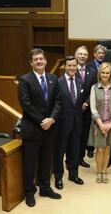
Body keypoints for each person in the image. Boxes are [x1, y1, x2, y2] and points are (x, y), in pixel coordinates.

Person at [18, 48, 61, 207]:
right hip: (32, 128)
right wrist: (43, 120)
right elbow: (26, 105)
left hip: (50, 128)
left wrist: (52, 119)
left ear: (46, 61)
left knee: (46, 159)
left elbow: (58, 101)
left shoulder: (53, 78)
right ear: (31, 62)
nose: (39, 61)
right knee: (30, 162)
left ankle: (45, 187)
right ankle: (29, 192)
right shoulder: (25, 80)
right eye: (35, 59)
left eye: (41, 59)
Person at [53, 56, 85, 191]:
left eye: (74, 65)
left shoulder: (79, 82)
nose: (72, 68)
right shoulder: (58, 82)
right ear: (65, 67)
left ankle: (73, 174)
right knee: (59, 153)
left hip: (77, 123)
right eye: (69, 66)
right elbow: (55, 103)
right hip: (62, 124)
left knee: (74, 151)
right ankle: (58, 177)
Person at [87, 63, 111, 184]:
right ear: (99, 74)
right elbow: (93, 107)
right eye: (103, 72)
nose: (105, 75)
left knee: (107, 149)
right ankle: (98, 171)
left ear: (110, 74)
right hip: (98, 123)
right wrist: (101, 124)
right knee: (99, 149)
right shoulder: (94, 88)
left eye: (107, 73)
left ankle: (104, 171)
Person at [74, 46, 97, 167]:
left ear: (88, 57)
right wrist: (78, 104)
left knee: (83, 135)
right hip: (73, 109)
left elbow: (93, 89)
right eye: (80, 54)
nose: (83, 56)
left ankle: (80, 158)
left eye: (85, 54)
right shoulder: (71, 69)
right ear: (76, 56)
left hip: (86, 109)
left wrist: (86, 103)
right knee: (73, 135)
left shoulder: (92, 71)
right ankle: (71, 159)